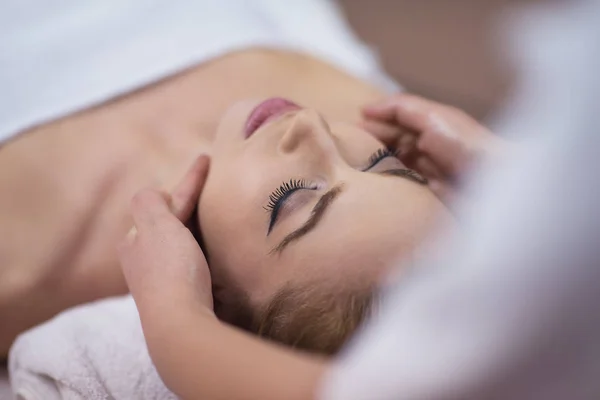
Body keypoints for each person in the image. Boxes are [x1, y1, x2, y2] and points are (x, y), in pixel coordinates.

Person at [0, 0, 501, 357]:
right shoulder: (395, 120)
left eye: (293, 199)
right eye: (383, 164)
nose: (312, 125)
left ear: (213, 296)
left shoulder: (22, 270)